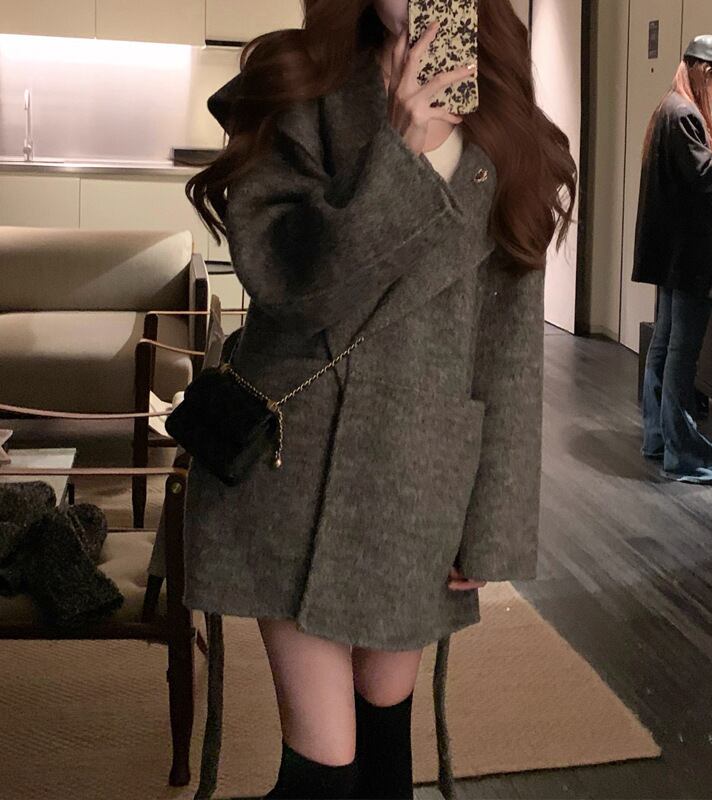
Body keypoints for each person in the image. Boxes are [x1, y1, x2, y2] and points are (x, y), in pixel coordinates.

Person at [183, 1, 576, 798]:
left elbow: (506, 345)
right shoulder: (297, 81)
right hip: (290, 469)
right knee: (325, 765)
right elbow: (290, 289)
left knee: (386, 737)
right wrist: (396, 153)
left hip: (415, 481)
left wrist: (494, 522)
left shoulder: (509, 128)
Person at [633, 34, 712, 485]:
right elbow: (702, 174)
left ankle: (659, 438)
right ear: (707, 73)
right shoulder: (684, 114)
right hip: (687, 256)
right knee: (681, 355)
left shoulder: (667, 110)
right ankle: (683, 455)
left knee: (665, 347)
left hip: (672, 254)